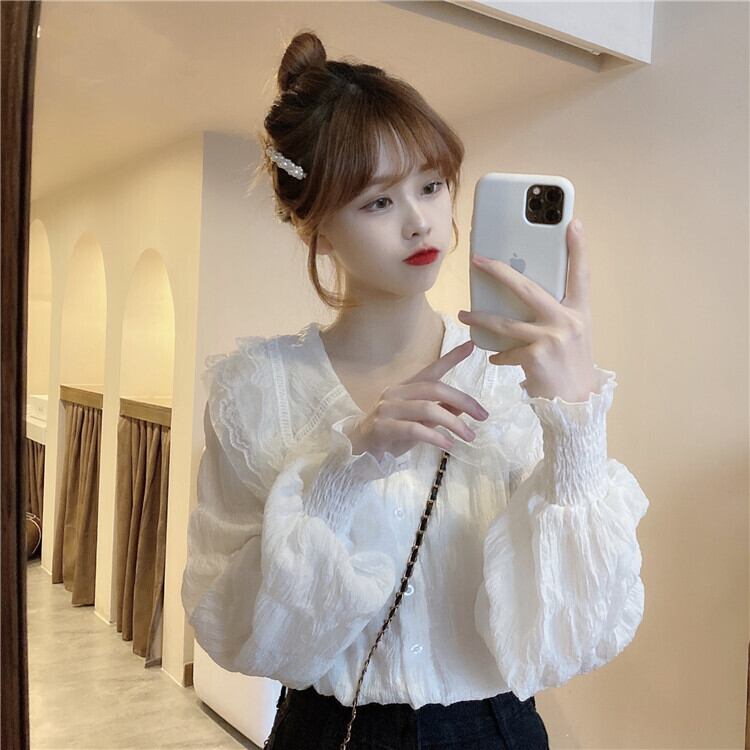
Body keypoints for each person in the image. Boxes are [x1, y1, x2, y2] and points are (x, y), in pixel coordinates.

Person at [180, 30, 650, 750]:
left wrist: (576, 419)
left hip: (493, 728)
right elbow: (238, 628)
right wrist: (345, 469)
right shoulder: (258, 392)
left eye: (430, 186)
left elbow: (574, 635)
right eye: (378, 201)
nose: (420, 221)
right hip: (330, 730)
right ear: (316, 228)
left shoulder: (513, 377)